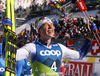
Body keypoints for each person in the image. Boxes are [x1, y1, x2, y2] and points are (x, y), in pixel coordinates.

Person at [3, 17, 97, 76]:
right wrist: (6, 35)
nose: (51, 27)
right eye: (46, 25)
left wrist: (90, 37)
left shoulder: (60, 47)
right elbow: (7, 57)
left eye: (51, 25)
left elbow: (80, 55)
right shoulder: (32, 47)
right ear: (38, 30)